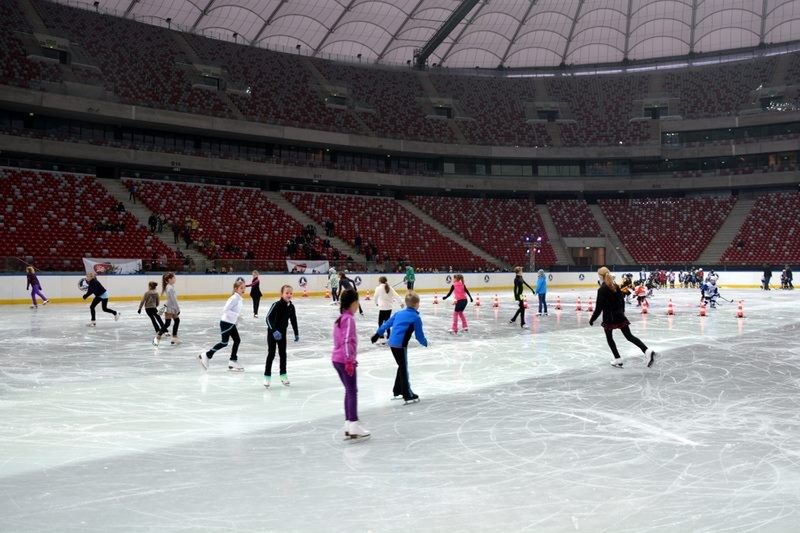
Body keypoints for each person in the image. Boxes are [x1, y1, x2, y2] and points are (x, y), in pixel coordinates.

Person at [589, 268, 656, 368]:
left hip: (609, 318)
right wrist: (622, 313)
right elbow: (622, 301)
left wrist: (592, 319)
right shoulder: (615, 286)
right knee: (629, 336)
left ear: (600, 276)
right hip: (620, 316)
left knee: (609, 338)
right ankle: (647, 351)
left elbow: (599, 308)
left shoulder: (602, 289)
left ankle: (618, 358)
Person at [371, 291, 428, 404]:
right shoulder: (416, 318)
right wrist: (425, 342)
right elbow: (419, 335)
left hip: (392, 343)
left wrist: (377, 334)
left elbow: (386, 324)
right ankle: (407, 394)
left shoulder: (399, 313)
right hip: (400, 345)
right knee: (403, 368)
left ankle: (398, 390)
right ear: (417, 304)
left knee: (401, 366)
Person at [332, 289, 370, 440]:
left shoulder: (340, 318)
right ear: (354, 303)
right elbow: (347, 340)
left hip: (337, 359)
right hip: (343, 360)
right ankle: (353, 425)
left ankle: (349, 424)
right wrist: (349, 360)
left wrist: (350, 358)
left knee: (349, 391)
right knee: (352, 391)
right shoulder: (348, 319)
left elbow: (339, 341)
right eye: (357, 302)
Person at [199, 279, 246, 372]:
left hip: (231, 323)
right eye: (241, 288)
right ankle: (207, 355)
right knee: (224, 343)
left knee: (237, 340)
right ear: (236, 289)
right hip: (226, 323)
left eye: (244, 287)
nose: (243, 289)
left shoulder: (239, 298)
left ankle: (232, 361)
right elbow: (225, 310)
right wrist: (236, 316)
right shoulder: (234, 298)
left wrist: (235, 319)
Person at [264, 285, 299, 388]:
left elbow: (293, 320)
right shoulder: (276, 305)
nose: (289, 295)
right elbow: (267, 318)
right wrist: (274, 331)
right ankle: (267, 376)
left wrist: (296, 333)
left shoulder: (291, 307)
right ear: (282, 294)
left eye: (290, 293)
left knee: (283, 354)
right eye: (287, 293)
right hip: (272, 334)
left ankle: (283, 375)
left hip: (282, 334)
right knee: (271, 354)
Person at [374, 276, 403, 343]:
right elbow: (397, 296)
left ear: (380, 281)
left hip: (382, 308)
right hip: (389, 308)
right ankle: (389, 335)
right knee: (387, 322)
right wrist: (401, 303)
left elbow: (375, 297)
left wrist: (376, 303)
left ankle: (381, 335)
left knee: (380, 322)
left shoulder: (378, 288)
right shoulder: (390, 288)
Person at [154, 272, 180, 346]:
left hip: (170, 306)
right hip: (170, 307)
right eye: (174, 278)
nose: (175, 279)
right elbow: (173, 299)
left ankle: (174, 338)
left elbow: (172, 299)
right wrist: (177, 308)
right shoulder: (170, 288)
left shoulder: (170, 286)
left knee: (176, 321)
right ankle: (158, 336)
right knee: (168, 323)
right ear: (169, 279)